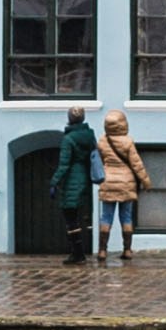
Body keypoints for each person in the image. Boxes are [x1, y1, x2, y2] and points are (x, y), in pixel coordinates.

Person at [95, 105, 146, 265]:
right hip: (126, 183)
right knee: (126, 217)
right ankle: (127, 250)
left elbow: (101, 162)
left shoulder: (102, 141)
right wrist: (145, 180)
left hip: (108, 181)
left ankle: (103, 250)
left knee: (106, 217)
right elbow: (136, 163)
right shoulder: (128, 142)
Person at [50, 100, 97, 261]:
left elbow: (64, 165)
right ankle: (87, 249)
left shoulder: (68, 139)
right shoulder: (90, 136)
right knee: (84, 215)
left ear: (69, 119)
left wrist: (54, 182)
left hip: (72, 181)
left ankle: (78, 253)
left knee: (70, 216)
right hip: (86, 178)